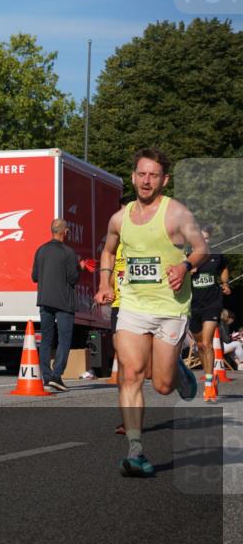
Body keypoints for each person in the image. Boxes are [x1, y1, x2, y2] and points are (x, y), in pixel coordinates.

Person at [95, 148, 208, 478]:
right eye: (141, 174)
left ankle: (177, 372)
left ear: (164, 180)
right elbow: (107, 249)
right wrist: (105, 282)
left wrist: (185, 265)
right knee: (130, 374)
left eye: (153, 175)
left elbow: (201, 247)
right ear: (133, 177)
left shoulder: (176, 214)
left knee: (161, 384)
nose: (146, 181)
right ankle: (136, 449)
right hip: (132, 305)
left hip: (169, 308)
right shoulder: (120, 218)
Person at [31, 218, 80, 391]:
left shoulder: (41, 250)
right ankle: (56, 375)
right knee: (64, 339)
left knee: (46, 340)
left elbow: (35, 277)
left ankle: (46, 376)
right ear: (65, 232)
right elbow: (73, 278)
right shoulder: (68, 252)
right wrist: (79, 266)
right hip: (64, 302)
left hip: (44, 300)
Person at [189, 226, 231, 401]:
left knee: (206, 344)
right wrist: (187, 272)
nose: (203, 241)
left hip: (213, 304)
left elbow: (224, 268)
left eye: (206, 238)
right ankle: (210, 377)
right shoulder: (186, 258)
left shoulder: (216, 256)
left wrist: (225, 283)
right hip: (193, 306)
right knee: (200, 346)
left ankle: (208, 386)